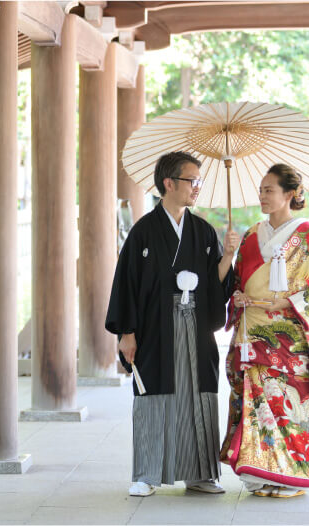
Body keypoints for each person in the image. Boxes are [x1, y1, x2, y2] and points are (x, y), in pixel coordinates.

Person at [106, 151, 239, 497]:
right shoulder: (143, 233)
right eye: (191, 180)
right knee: (154, 397)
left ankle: (200, 474)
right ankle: (147, 474)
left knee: (198, 397)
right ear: (169, 183)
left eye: (199, 181)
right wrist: (127, 332)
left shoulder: (204, 231)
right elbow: (127, 283)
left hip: (195, 328)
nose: (197, 187)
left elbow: (215, 284)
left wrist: (226, 257)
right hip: (154, 329)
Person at [221, 163, 309, 498]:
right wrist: (237, 294)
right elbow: (236, 281)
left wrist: (289, 305)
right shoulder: (249, 235)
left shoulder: (307, 236)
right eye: (261, 190)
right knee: (259, 406)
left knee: (290, 407)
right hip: (253, 332)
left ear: (290, 194)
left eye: (269, 190)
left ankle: (293, 473)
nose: (262, 196)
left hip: (290, 337)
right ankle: (263, 473)